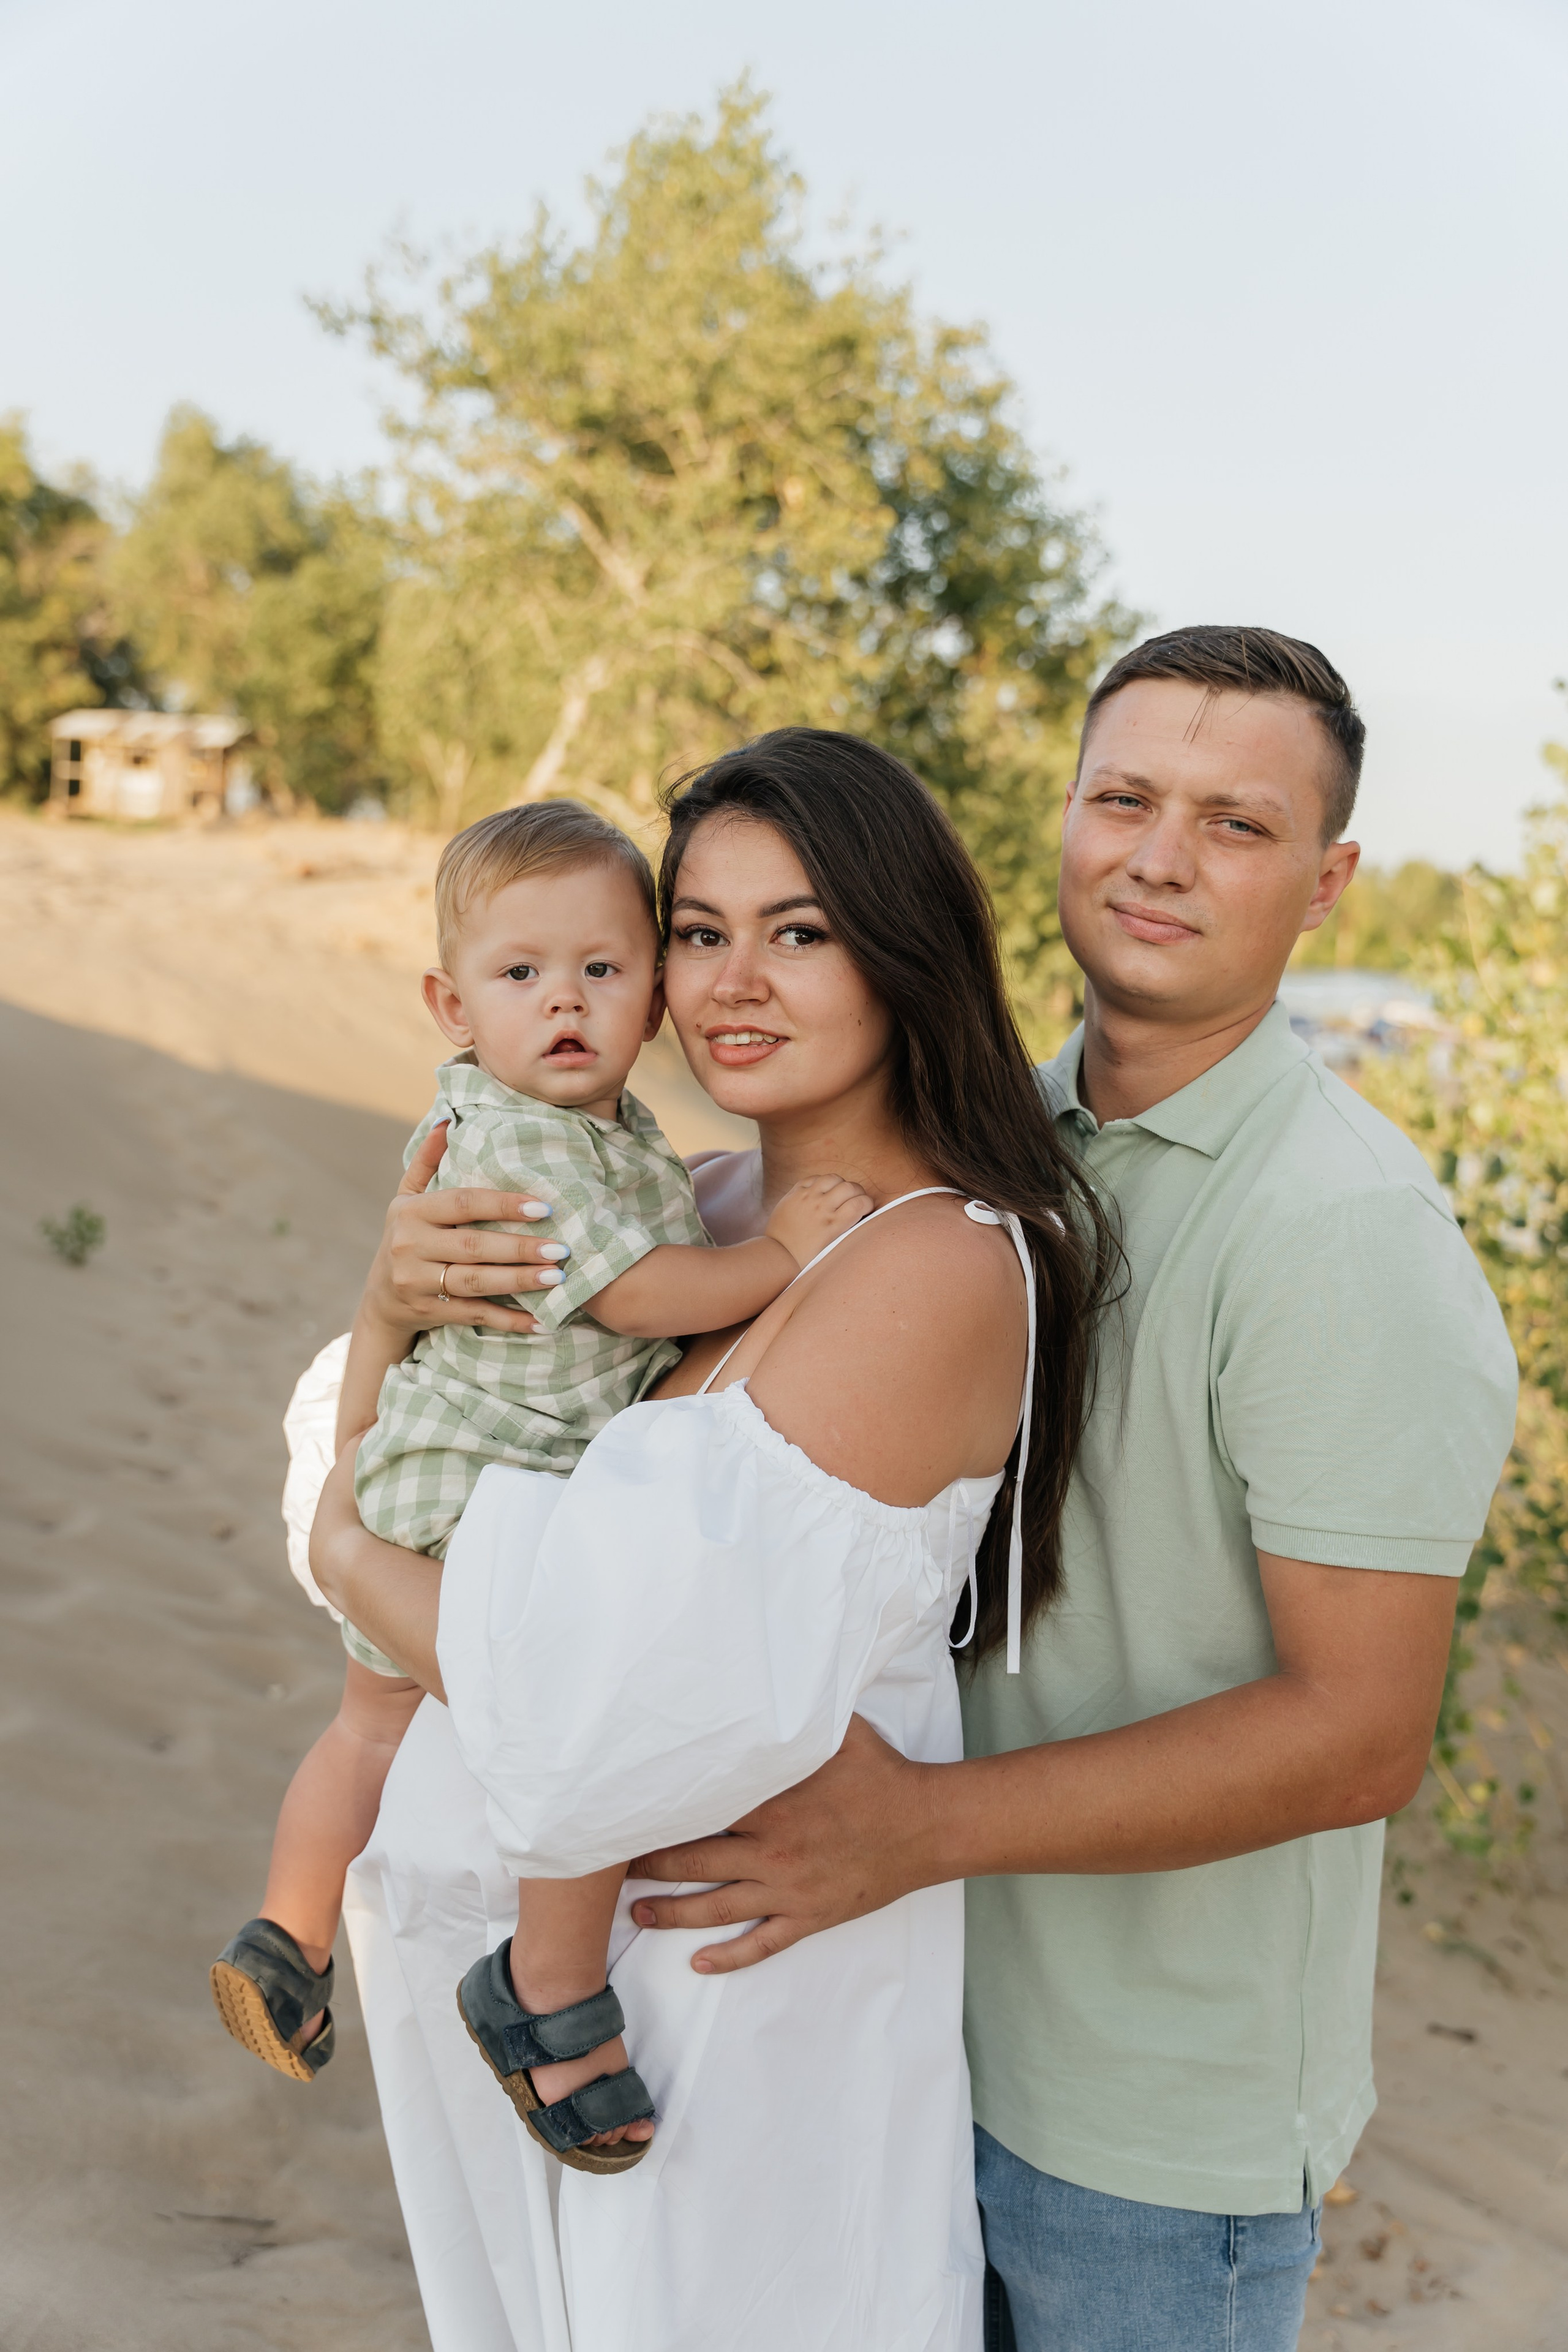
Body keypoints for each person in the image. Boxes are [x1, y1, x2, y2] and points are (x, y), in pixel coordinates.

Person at [621, 629, 1520, 2352]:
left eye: (1236, 826)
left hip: (1147, 2130)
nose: (1161, 856)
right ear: (1064, 822)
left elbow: (1361, 1733)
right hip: (908, 2020)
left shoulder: (1339, 1235)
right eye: (1125, 798)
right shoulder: (1010, 1146)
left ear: (1330, 883)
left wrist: (915, 1833)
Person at [302, 730, 1120, 2351]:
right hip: (530, 2022)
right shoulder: (679, 1203)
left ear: (902, 953)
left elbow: (588, 1686)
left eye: (800, 931)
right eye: (698, 930)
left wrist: (342, 1559)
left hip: (733, 2042)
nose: (735, 979)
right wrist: (386, 1311)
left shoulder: (939, 1263)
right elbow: (391, 1448)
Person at [211, 798, 871, 2144]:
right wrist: (784, 1254)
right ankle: (547, 1988)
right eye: (521, 977)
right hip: (473, 1507)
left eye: (601, 971)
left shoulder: (576, 1126)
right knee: (591, 1735)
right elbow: (634, 1295)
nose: (562, 1005)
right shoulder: (521, 1146)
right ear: (452, 1005)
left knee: (367, 1728)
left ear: (650, 1000)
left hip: (428, 1478)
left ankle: (289, 1934)